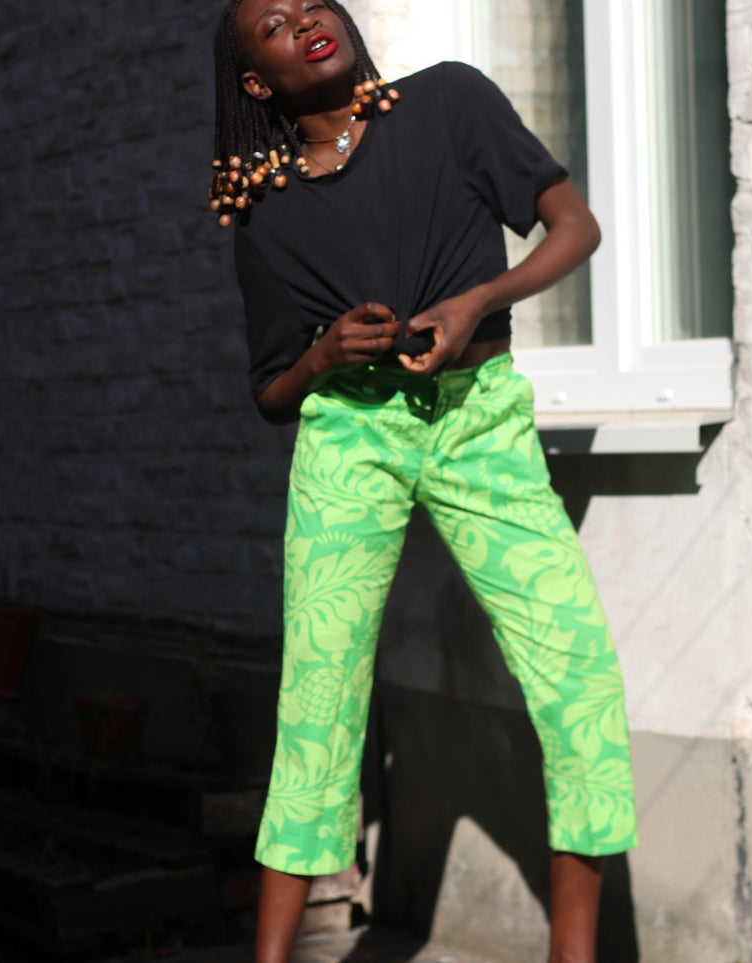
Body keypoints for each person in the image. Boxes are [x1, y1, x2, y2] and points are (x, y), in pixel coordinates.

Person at [211, 2, 638, 960]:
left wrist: (478, 299)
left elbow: (575, 226)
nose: (305, 21)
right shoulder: (267, 208)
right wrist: (322, 355)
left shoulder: (447, 103)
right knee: (316, 700)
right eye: (274, 26)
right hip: (347, 436)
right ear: (255, 80)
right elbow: (269, 393)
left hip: (478, 416)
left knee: (578, 673)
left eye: (312, 2)